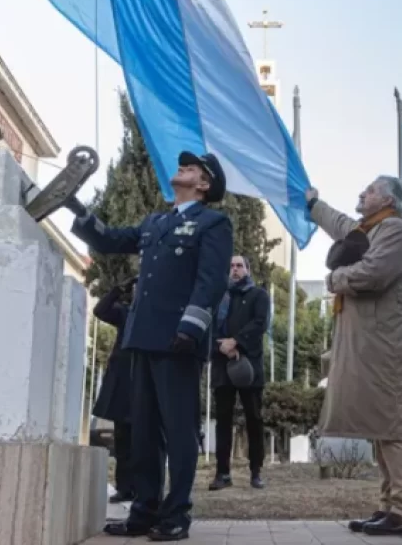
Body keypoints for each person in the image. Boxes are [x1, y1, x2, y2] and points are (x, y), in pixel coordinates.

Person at [68, 151, 233, 542]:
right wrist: (76, 207)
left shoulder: (213, 222)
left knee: (178, 431)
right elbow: (109, 240)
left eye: (191, 167)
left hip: (178, 339)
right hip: (140, 338)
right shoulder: (156, 222)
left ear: (204, 184)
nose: (182, 168)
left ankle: (176, 514)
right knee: (140, 431)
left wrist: (191, 327)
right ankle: (144, 511)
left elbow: (210, 281)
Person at [306, 176, 402, 537]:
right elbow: (341, 226)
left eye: (370, 190)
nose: (361, 193)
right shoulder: (369, 230)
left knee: (393, 426)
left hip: (387, 347)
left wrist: (334, 278)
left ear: (388, 198)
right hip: (372, 345)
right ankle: (390, 507)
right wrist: (313, 206)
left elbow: (373, 273)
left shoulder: (396, 231)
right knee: (380, 426)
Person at [209, 255, 270, 491]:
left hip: (248, 366)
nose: (234, 270)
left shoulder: (258, 295)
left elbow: (259, 324)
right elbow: (209, 326)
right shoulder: (218, 297)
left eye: (239, 266)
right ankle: (222, 473)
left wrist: (236, 342)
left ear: (247, 269)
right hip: (222, 365)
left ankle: (256, 471)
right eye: (231, 266)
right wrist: (220, 346)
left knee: (254, 418)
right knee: (223, 420)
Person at [91, 276, 138, 504]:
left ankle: (143, 488)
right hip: (122, 382)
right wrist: (119, 289)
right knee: (122, 439)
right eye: (137, 289)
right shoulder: (125, 313)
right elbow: (100, 310)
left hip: (144, 380)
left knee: (144, 439)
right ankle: (124, 487)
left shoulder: (158, 313)